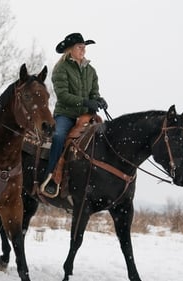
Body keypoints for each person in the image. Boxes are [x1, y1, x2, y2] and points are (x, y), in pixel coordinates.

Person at [40, 33, 108, 197]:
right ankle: (50, 177)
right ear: (70, 50)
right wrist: (85, 102)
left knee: (103, 137)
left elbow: (94, 93)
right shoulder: (61, 68)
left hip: (86, 116)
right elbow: (63, 95)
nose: (83, 50)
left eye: (84, 47)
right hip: (66, 114)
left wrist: (98, 100)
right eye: (80, 47)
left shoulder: (90, 70)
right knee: (58, 136)